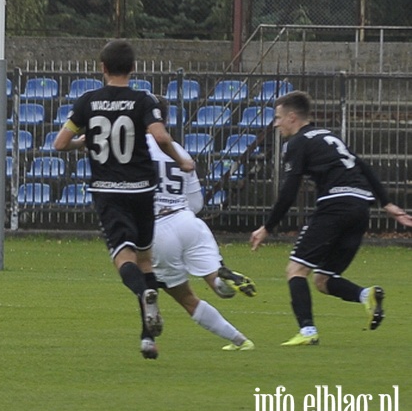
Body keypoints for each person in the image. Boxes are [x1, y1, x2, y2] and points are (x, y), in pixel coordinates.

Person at [54, 40, 194, 359]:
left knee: (123, 258)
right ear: (133, 68)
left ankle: (144, 293)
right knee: (145, 260)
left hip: (107, 189)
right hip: (143, 189)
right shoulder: (143, 100)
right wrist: (180, 161)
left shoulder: (87, 102)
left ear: (102, 68)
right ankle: (148, 339)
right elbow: (159, 136)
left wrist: (83, 142)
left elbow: (60, 144)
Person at [250, 90, 412, 345]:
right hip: (360, 208)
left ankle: (307, 332)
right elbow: (363, 166)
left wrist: (267, 227)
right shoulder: (328, 136)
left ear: (292, 117)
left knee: (296, 270)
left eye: (279, 117)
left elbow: (289, 190)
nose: (276, 123)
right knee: (323, 280)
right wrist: (387, 202)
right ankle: (365, 295)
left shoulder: (297, 143)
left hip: (335, 205)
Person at [147, 98, 256, 354]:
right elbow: (196, 202)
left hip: (158, 228)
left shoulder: (133, 150)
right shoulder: (179, 150)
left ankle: (240, 340)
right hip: (188, 221)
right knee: (211, 276)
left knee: (186, 298)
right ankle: (219, 278)